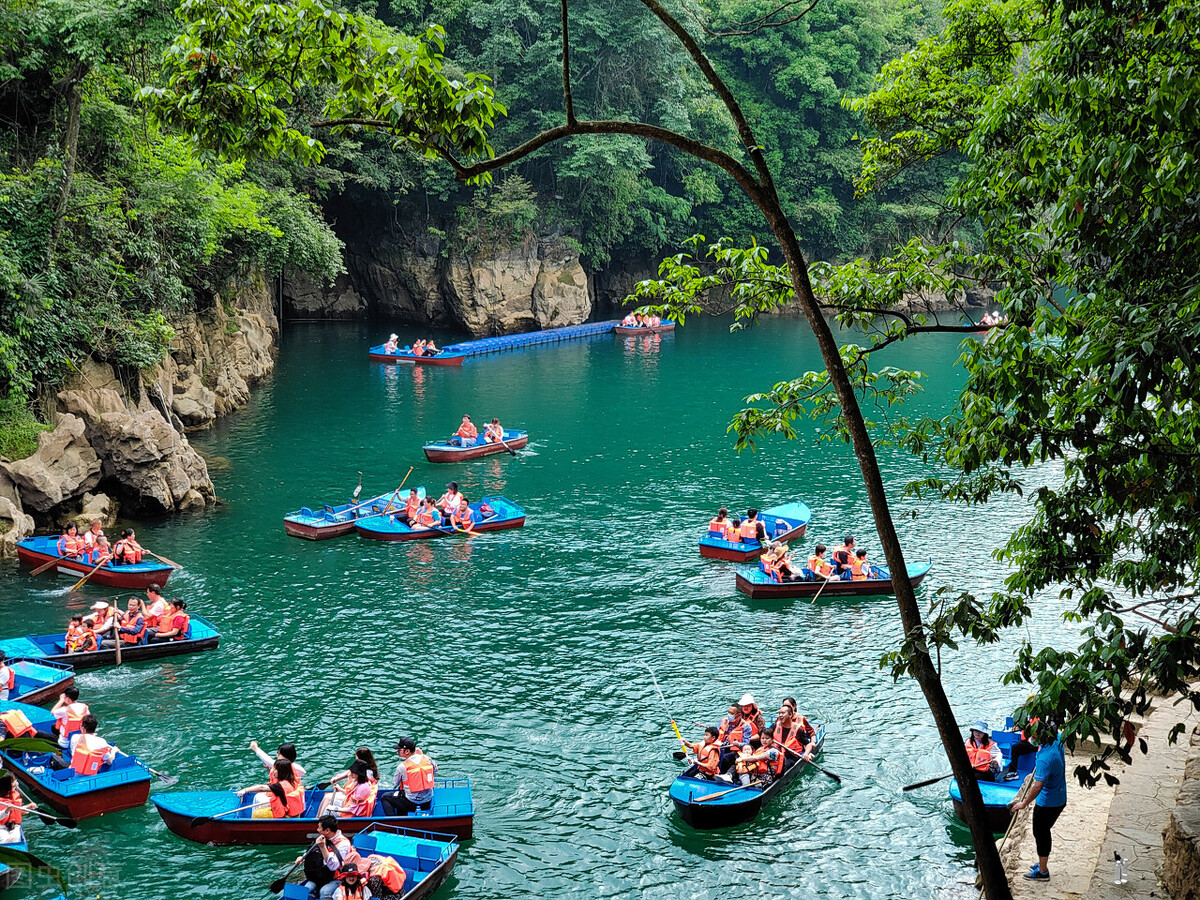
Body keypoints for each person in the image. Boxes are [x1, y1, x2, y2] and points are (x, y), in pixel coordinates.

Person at [1009, 721, 1066, 881]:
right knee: (1043, 831)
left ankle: (1043, 871)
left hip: (1048, 802)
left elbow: (1038, 785)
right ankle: (1042, 863)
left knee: (1040, 833)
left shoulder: (1045, 760)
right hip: (1060, 796)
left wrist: (1024, 803)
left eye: (1033, 736)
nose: (1031, 739)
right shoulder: (1057, 739)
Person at [298, 814, 360, 900]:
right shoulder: (322, 838)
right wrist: (303, 857)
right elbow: (312, 851)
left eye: (319, 828)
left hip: (336, 878)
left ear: (327, 830)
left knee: (324, 892)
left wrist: (323, 847)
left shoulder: (343, 844)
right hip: (320, 875)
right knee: (305, 891)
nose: (317, 830)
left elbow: (333, 866)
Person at [378, 737, 437, 816]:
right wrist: (422, 755)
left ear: (407, 751)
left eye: (399, 749)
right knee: (401, 793)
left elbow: (395, 783)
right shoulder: (426, 759)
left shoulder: (402, 766)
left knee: (385, 797)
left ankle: (394, 822)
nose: (397, 751)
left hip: (411, 803)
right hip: (427, 801)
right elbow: (436, 769)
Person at [46, 713, 117, 774]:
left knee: (54, 758)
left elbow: (72, 752)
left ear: (83, 728)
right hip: (93, 773)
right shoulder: (102, 742)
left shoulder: (75, 737)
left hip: (74, 773)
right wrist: (113, 751)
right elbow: (109, 762)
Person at [241, 758, 305, 819]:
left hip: (286, 815)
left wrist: (245, 790)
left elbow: (261, 788)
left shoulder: (280, 786)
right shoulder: (292, 781)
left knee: (256, 814)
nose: (273, 771)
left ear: (281, 772)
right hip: (293, 812)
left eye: (275, 769)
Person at [0, 774, 26, 842]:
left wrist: (28, 807)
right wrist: (7, 810)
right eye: (13, 781)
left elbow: (16, 810)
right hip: (1, 827)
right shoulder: (1, 801)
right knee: (5, 839)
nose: (16, 783)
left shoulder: (13, 795)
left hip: (13, 826)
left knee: (15, 838)